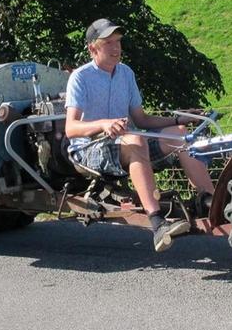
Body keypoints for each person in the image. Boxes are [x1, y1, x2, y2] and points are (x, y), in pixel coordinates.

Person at [64, 18, 216, 252]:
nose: (116, 48)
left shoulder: (125, 73)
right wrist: (104, 124)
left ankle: (210, 201)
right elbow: (71, 128)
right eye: (108, 43)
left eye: (118, 42)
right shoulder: (81, 78)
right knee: (136, 140)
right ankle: (157, 223)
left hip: (127, 141)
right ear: (92, 48)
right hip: (89, 149)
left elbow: (142, 120)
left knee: (179, 135)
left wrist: (178, 120)